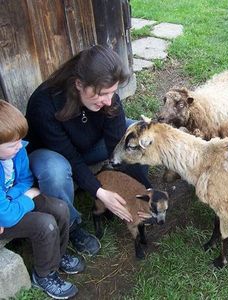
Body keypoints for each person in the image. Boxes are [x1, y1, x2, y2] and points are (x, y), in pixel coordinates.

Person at [25, 45, 151, 256]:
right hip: (52, 155)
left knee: (137, 135)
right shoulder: (43, 104)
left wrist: (147, 194)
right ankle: (72, 225)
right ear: (79, 84)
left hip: (89, 147)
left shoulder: (108, 100)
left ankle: (128, 191)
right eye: (103, 94)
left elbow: (119, 146)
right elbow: (71, 158)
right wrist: (100, 192)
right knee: (55, 170)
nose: (109, 101)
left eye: (113, 92)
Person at [0, 99, 84, 299]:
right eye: (13, 144)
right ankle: (44, 275)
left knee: (59, 208)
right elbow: (7, 217)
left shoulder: (17, 151)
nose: (20, 147)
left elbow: (26, 179)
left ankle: (57, 255)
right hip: (5, 216)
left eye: (20, 140)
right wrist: (25, 198)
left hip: (11, 202)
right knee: (44, 224)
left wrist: (13, 196)